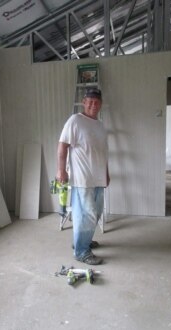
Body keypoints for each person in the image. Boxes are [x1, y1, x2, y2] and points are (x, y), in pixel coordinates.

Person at [56, 87, 110, 265]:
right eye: (90, 101)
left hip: (98, 178)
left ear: (100, 104)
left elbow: (103, 153)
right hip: (82, 178)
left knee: (96, 212)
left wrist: (106, 173)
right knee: (86, 215)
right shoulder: (75, 121)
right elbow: (62, 146)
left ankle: (82, 241)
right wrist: (61, 170)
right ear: (84, 102)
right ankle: (81, 251)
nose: (93, 105)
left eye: (97, 102)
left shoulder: (100, 125)